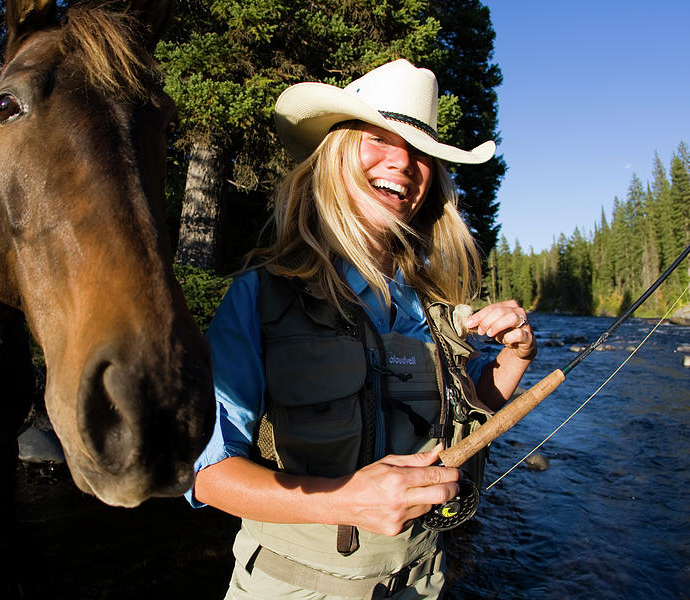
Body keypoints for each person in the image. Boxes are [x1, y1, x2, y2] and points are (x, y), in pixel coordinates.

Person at [186, 58, 537, 599]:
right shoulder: (260, 296)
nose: (402, 161)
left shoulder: (433, 303)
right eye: (379, 138)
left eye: (421, 153)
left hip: (423, 583)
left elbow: (469, 409)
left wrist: (514, 358)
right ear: (336, 154)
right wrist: (342, 499)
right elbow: (206, 475)